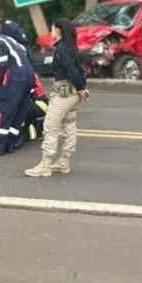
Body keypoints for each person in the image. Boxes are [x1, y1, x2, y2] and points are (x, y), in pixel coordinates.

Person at [26, 19, 90, 177]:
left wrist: (82, 88)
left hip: (64, 95)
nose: (51, 31)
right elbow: (78, 69)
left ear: (59, 31)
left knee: (50, 126)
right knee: (69, 126)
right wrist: (82, 87)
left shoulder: (62, 49)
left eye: (52, 29)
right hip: (72, 94)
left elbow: (70, 69)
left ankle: (45, 165)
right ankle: (64, 161)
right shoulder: (70, 47)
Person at [0, 20, 34, 155]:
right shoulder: (9, 39)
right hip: (29, 74)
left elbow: (2, 65)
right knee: (18, 112)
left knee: (4, 111)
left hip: (15, 76)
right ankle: (9, 144)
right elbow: (24, 52)